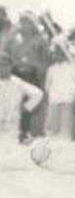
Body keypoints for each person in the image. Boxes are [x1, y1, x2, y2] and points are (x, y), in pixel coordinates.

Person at [4, 11, 50, 141]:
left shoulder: (40, 40)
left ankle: (33, 132)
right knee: (17, 104)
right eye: (22, 22)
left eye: (27, 22)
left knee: (34, 103)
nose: (24, 25)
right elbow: (7, 55)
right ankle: (21, 132)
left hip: (34, 76)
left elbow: (45, 60)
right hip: (17, 75)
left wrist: (34, 65)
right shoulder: (15, 40)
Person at [0, 49, 43, 144]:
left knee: (9, 146)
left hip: (12, 123)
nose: (2, 68)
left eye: (5, 65)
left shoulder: (17, 82)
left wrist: (26, 107)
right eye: (0, 65)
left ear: (10, 66)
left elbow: (38, 94)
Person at [44, 41, 75, 140]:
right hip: (54, 101)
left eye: (61, 52)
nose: (58, 55)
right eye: (56, 53)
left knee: (66, 129)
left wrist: (74, 95)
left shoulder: (72, 68)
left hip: (68, 101)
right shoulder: (51, 69)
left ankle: (65, 143)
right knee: (52, 129)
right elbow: (47, 86)